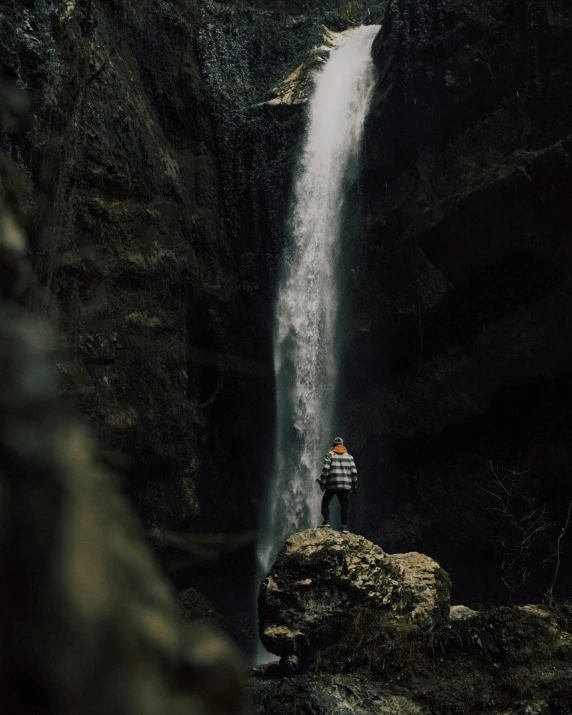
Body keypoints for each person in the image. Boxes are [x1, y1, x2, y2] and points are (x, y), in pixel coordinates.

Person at [316, 437, 358, 534]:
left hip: (332, 484)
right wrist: (354, 485)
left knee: (325, 502)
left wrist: (322, 483)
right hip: (345, 486)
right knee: (344, 506)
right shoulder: (349, 457)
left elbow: (326, 470)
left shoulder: (330, 454)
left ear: (334, 445)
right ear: (342, 445)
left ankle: (326, 521)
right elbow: (354, 473)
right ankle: (344, 527)